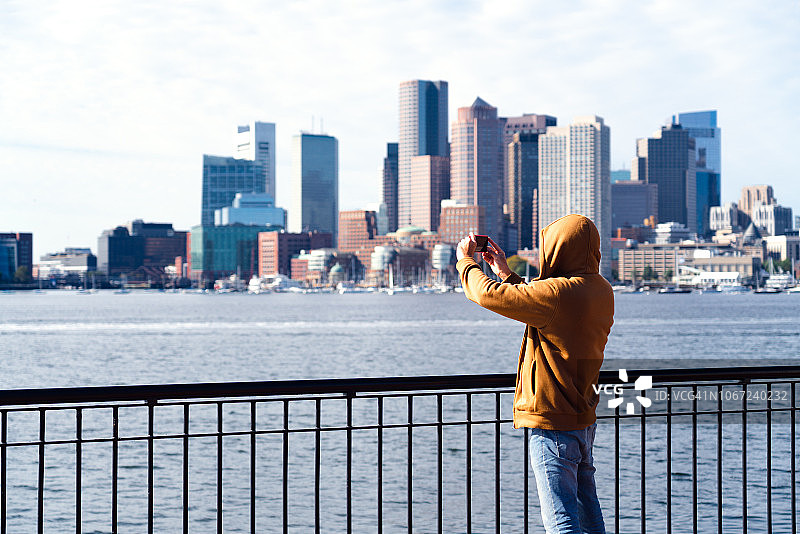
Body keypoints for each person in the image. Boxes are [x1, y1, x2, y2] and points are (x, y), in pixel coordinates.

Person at [455, 214, 614, 534]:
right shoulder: (601, 290)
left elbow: (488, 295)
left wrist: (466, 263)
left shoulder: (558, 293)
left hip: (553, 420)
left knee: (561, 518)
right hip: (583, 417)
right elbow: (541, 305)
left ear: (558, 249)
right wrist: (505, 273)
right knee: (587, 508)